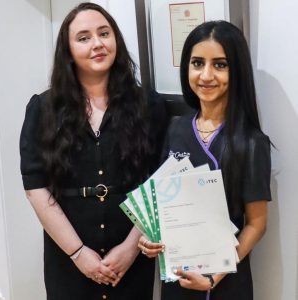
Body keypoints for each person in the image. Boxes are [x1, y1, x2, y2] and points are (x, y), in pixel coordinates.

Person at [20, 2, 167, 300]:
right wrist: (78, 254)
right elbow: (36, 187)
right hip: (69, 258)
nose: (97, 43)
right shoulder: (43, 108)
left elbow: (159, 180)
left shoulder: (148, 105)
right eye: (84, 37)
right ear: (68, 51)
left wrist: (129, 248)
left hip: (132, 256)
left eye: (104, 33)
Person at [138, 20, 272, 300]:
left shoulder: (250, 141)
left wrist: (214, 276)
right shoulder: (175, 129)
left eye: (220, 64)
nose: (206, 75)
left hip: (226, 283)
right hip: (177, 279)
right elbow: (162, 205)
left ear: (237, 71)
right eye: (197, 63)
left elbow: (256, 224)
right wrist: (150, 237)